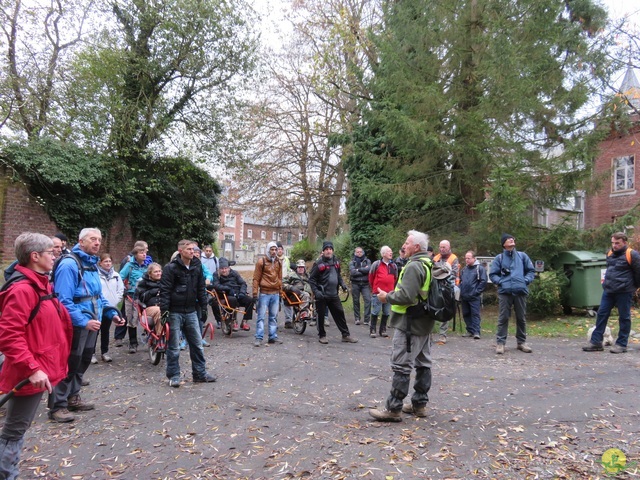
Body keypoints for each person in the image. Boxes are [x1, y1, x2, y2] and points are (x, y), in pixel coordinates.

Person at [0, 233, 73, 478]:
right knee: (14, 430)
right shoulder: (23, 290)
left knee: (18, 428)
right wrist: (32, 368)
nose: (55, 256)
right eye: (50, 252)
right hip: (27, 372)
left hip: (38, 367)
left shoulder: (41, 284)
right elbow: (9, 336)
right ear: (35, 257)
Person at [49, 228, 124, 423]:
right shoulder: (69, 265)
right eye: (93, 239)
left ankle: (73, 396)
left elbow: (96, 296)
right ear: (81, 242)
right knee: (69, 362)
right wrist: (83, 321)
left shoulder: (91, 264)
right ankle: (58, 405)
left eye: (99, 239)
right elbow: (62, 300)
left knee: (82, 360)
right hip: (76, 324)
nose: (97, 243)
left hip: (92, 322)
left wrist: (111, 312)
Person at [369, 230, 434, 422]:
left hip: (410, 325)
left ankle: (394, 409)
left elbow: (406, 296)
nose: (403, 246)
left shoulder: (414, 266)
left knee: (401, 366)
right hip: (424, 323)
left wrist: (386, 297)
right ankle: (419, 405)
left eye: (407, 243)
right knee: (423, 363)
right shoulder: (428, 262)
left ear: (416, 247)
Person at [159, 239, 216, 387]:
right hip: (174, 311)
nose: (192, 251)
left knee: (197, 344)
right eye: (189, 249)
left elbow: (201, 288)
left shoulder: (197, 267)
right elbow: (165, 291)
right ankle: (174, 376)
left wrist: (204, 307)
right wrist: (164, 311)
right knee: (174, 347)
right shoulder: (170, 268)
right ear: (180, 251)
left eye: (193, 249)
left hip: (191, 310)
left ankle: (199, 373)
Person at [583, 232, 640, 353]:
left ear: (624, 242)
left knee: (624, 317)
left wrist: (633, 287)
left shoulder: (632, 254)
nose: (614, 245)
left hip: (624, 291)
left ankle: (621, 344)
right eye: (613, 243)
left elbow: (638, 273)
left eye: (617, 243)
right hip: (609, 290)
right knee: (602, 314)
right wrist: (605, 284)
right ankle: (596, 342)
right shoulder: (610, 253)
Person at [489, 233, 535, 355]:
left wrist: (525, 281)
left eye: (512, 238)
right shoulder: (499, 258)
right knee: (503, 317)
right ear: (503, 244)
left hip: (520, 291)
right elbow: (493, 274)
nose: (511, 239)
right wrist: (501, 282)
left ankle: (521, 343)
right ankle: (500, 343)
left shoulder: (522, 256)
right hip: (505, 292)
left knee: (521, 318)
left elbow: (531, 271)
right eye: (508, 239)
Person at [308, 241, 358, 345]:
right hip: (322, 295)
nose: (328, 251)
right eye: (326, 249)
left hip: (333, 294)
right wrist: (316, 292)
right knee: (321, 316)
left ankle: (345, 335)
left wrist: (343, 285)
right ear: (323, 251)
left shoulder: (336, 262)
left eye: (330, 249)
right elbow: (312, 279)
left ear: (332, 250)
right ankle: (322, 336)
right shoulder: (319, 264)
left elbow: (338, 276)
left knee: (340, 314)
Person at [252, 242, 283, 346]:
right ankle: (259, 337)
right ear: (268, 250)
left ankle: (272, 336)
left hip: (275, 293)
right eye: (272, 249)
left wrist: (281, 291)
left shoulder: (278, 262)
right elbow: (256, 278)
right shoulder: (262, 262)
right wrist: (255, 293)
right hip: (264, 293)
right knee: (261, 316)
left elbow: (280, 278)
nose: (274, 252)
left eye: (275, 249)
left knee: (273, 317)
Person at [95, 253, 125, 363]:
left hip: (110, 307)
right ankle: (92, 352)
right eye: (105, 261)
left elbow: (120, 289)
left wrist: (116, 299)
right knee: (95, 331)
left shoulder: (116, 275)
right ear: (100, 263)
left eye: (109, 261)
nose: (108, 263)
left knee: (105, 330)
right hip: (98, 306)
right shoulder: (96, 275)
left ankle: (104, 352)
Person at [119, 245, 148, 353]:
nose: (144, 254)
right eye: (141, 252)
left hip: (145, 295)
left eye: (145, 252)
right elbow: (120, 277)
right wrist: (123, 290)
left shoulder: (148, 265)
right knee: (132, 319)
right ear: (135, 255)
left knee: (148, 318)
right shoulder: (129, 265)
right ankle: (133, 343)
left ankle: (150, 339)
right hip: (132, 295)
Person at [213, 257, 254, 331]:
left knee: (250, 300)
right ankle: (233, 320)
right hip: (226, 295)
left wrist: (242, 292)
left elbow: (243, 283)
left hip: (237, 293)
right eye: (222, 269)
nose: (224, 270)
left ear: (229, 268)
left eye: (226, 268)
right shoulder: (216, 274)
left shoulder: (234, 273)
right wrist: (227, 288)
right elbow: (216, 285)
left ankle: (245, 321)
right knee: (232, 300)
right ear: (219, 269)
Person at [433, 240, 460, 344]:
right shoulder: (436, 258)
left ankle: (442, 335)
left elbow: (453, 273)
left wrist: (442, 276)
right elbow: (433, 271)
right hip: (436, 285)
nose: (441, 249)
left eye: (444, 247)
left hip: (448, 285)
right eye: (440, 247)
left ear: (449, 247)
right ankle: (429, 333)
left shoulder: (454, 258)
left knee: (445, 308)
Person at [368, 246, 398, 338]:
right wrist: (375, 289)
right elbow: (371, 277)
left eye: (391, 251)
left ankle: (383, 329)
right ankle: (372, 329)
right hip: (378, 292)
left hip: (389, 293)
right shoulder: (376, 264)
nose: (391, 253)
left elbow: (395, 278)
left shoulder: (394, 266)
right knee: (375, 311)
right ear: (383, 254)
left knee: (386, 312)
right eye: (389, 251)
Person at [459, 251, 487, 339]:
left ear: (474, 258)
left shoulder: (479, 269)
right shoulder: (464, 269)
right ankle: (470, 330)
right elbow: (461, 281)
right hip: (464, 296)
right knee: (466, 313)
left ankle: (476, 332)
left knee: (475, 314)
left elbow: (483, 281)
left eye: (469, 258)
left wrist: (476, 292)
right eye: (466, 258)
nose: (467, 260)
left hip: (474, 296)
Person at [135, 263, 164, 338]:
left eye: (159, 271)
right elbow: (142, 298)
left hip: (164, 305)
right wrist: (153, 291)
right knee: (159, 310)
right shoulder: (143, 283)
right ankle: (160, 337)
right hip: (148, 308)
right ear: (150, 274)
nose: (158, 273)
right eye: (156, 272)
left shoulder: (165, 282)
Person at [349, 247, 372, 326]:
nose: (359, 253)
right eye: (357, 252)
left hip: (365, 284)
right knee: (356, 301)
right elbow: (352, 272)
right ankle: (357, 318)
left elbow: (368, 270)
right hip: (355, 284)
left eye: (360, 252)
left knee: (368, 300)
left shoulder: (367, 261)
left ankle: (367, 319)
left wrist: (358, 269)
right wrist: (363, 270)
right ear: (355, 253)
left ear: (363, 252)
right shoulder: (352, 262)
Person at [276, 242, 294, 328]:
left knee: (287, 301)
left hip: (285, 283)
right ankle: (274, 320)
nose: (280, 250)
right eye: (278, 249)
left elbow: (288, 269)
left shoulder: (286, 259)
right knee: (275, 302)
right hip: (275, 283)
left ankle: (288, 321)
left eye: (281, 249)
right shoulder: (273, 259)